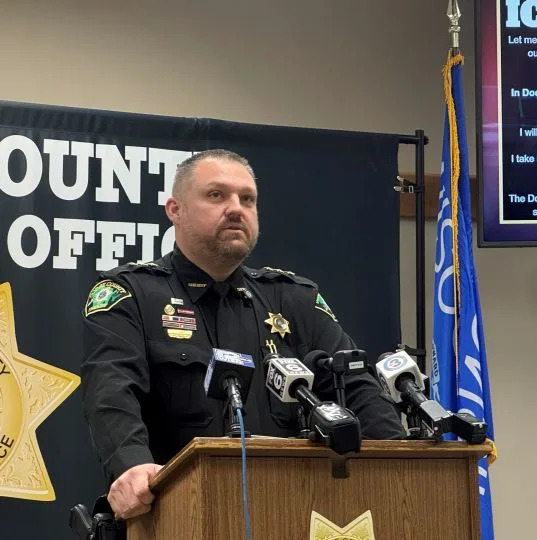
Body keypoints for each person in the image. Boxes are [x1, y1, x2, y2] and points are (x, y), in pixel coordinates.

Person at [80, 149, 405, 520]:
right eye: (216, 195)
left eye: (247, 199)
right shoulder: (131, 294)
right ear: (175, 210)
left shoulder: (294, 299)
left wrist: (401, 460)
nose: (236, 208)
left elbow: (358, 388)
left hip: (295, 510)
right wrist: (131, 465)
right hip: (175, 514)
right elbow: (111, 392)